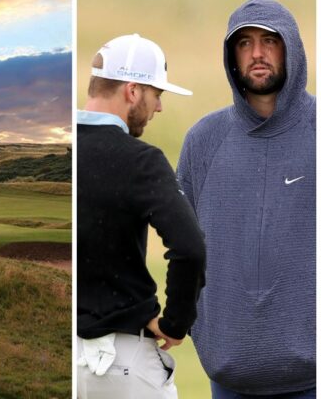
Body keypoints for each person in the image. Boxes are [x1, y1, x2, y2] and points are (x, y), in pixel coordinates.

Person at [179, 0, 315, 399]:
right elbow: (181, 249)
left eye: (269, 41)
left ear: (291, 48)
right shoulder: (202, 141)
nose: (257, 53)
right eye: (244, 43)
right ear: (231, 56)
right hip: (229, 376)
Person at [77, 34, 206, 398]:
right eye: (156, 95)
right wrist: (176, 323)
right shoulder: (139, 160)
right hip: (123, 366)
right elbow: (190, 247)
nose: (159, 108)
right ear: (132, 91)